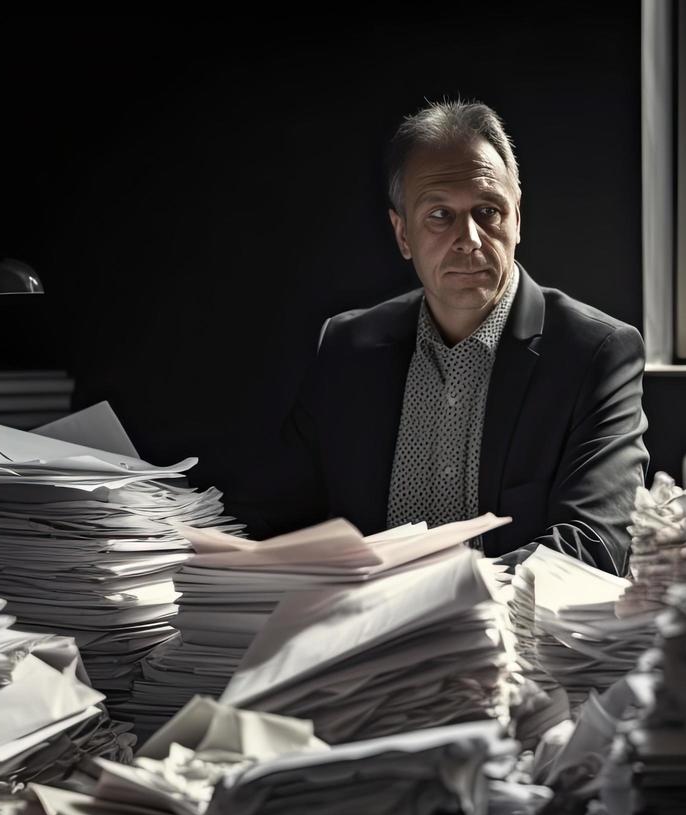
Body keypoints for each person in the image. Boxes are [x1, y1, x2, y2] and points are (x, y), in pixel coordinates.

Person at [245, 99, 648, 574]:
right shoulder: (346, 347)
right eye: (440, 215)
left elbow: (594, 543)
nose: (470, 238)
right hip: (359, 637)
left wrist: (439, 600)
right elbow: (282, 523)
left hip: (508, 638)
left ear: (517, 218)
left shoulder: (596, 354)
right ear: (402, 235)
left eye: (488, 210)